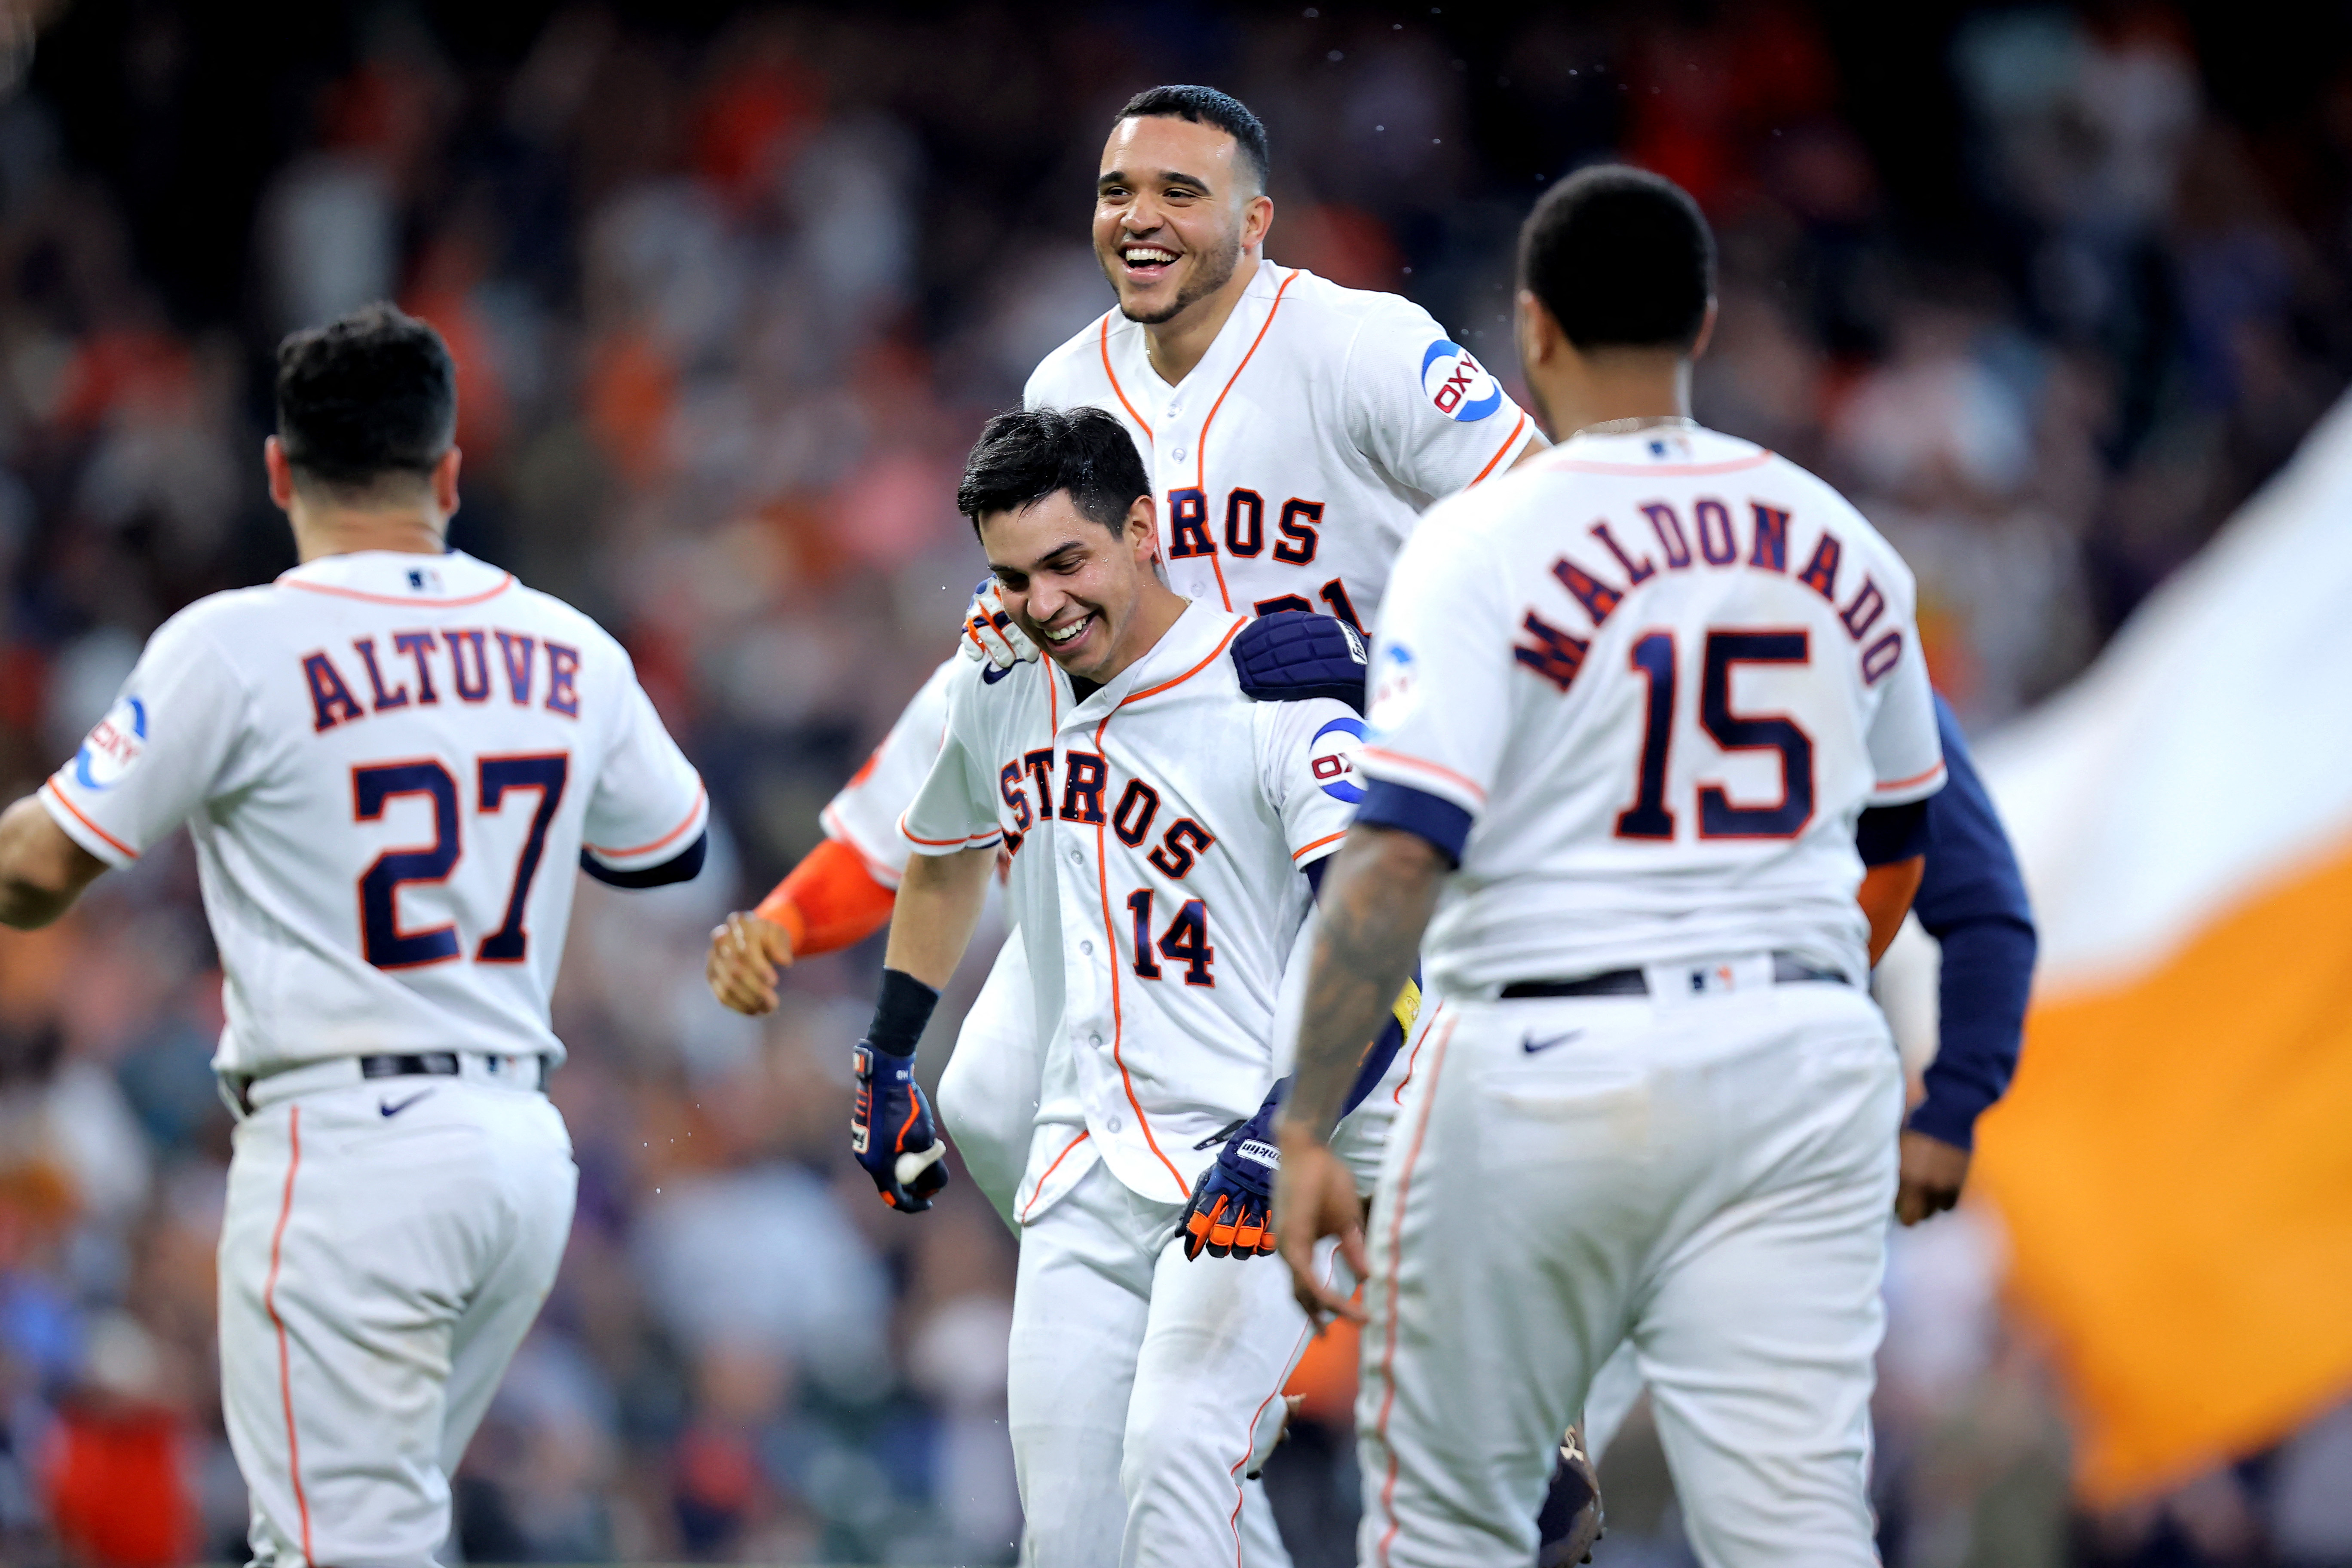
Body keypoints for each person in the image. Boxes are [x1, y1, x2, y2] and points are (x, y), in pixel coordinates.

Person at [706, 82, 1539, 1231]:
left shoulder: (1361, 347)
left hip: (1353, 794)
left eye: (1179, 192)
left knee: (1407, 1140)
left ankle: (1490, 1380)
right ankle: (1210, 1338)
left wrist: (1378, 666)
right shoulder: (1064, 388)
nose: (1140, 216)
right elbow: (947, 777)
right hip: (1167, 824)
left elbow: (1546, 520)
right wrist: (793, 924)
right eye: (1117, 191)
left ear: (1255, 223)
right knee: (994, 1099)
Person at [1271, 166, 1946, 1568]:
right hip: (1800, 1058)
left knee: (1458, 1517)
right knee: (1799, 1526)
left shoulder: (1481, 540)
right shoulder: (1847, 546)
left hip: (1546, 1046)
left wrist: (1304, 1113)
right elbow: (1895, 852)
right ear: (1702, 327)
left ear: (1532, 332)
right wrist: (1789, 985)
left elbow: (1397, 857)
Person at [0, 304, 708, 1568]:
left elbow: (41, 870)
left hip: (349, 1153)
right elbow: (668, 846)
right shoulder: (570, 647)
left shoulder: (236, 645)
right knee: (366, 1537)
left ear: (277, 470)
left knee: (338, 1552)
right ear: (449, 471)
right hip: (515, 1159)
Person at [845, 405, 1396, 1566]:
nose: (1042, 602)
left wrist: (1283, 1134)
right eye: (1011, 575)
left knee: (1180, 1456)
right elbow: (945, 855)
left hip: (1248, 1154)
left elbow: (1381, 937)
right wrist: (892, 1051)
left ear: (1142, 530)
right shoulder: (999, 674)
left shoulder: (1272, 686)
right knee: (1073, 1540)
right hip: (1081, 1165)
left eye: (1067, 562)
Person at [1567, 687, 2038, 1477]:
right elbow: (1988, 908)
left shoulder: (1580, 619)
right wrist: (1954, 1106)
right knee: (1789, 1478)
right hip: (1786, 1108)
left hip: (1605, 1095)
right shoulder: (1865, 644)